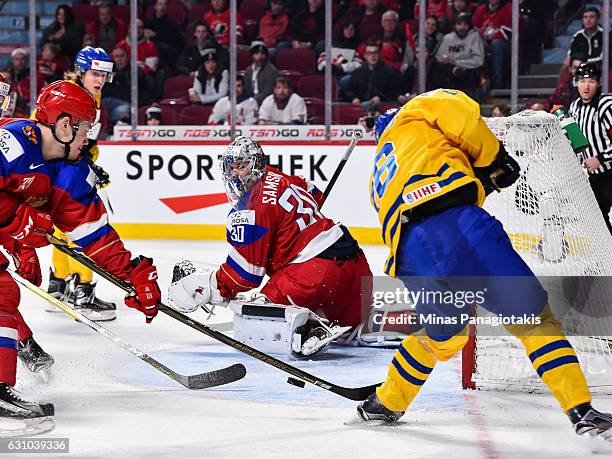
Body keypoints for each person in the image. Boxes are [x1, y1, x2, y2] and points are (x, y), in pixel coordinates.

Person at [355, 89, 612, 441]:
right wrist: (495, 158)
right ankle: (581, 410)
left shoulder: (379, 176)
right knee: (534, 321)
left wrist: (484, 178)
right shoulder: (415, 111)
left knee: (442, 337)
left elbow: (435, 190)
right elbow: (458, 111)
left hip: (412, 257)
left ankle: (386, 401)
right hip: (460, 227)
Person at [0, 80, 161, 435]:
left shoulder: (67, 172)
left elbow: (93, 234)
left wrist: (132, 274)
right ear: (63, 124)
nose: (88, 137)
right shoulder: (14, 139)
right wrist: (17, 229)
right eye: (85, 128)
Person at [168, 136, 373, 357]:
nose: (234, 173)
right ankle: (360, 322)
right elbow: (313, 191)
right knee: (352, 323)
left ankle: (310, 330)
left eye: (241, 166)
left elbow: (246, 275)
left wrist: (207, 287)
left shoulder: (250, 209)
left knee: (256, 314)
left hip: (314, 275)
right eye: (231, 167)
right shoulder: (281, 176)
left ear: (256, 164)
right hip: (355, 266)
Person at [43, 46, 117, 322]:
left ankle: (59, 284)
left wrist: (90, 161)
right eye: (95, 73)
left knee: (64, 228)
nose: (99, 80)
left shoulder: (84, 94)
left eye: (103, 75)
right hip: (64, 168)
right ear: (81, 71)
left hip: (63, 167)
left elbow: (84, 142)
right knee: (86, 226)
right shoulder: (74, 97)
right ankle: (83, 292)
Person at [568, 62, 612, 235]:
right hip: (595, 178)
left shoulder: (606, 105)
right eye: (582, 81)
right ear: (576, 83)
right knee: (598, 221)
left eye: (591, 81)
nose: (586, 86)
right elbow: (575, 142)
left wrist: (600, 158)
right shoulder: (574, 108)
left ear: (598, 83)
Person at [428, 13, 484, 97]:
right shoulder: (447, 38)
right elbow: (438, 57)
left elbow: (479, 61)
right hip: (449, 71)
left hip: (469, 71)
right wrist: (444, 60)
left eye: (465, 24)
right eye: (459, 24)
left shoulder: (474, 37)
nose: (462, 27)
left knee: (464, 74)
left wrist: (457, 62)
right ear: (454, 26)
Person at [345, 40, 400, 106]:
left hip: (382, 107)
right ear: (365, 55)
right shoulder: (358, 72)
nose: (372, 56)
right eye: (369, 53)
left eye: (375, 53)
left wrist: (380, 98)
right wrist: (354, 98)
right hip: (360, 107)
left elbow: (394, 94)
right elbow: (348, 91)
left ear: (379, 54)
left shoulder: (389, 72)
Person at [472, 0, 512, 89]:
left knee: (496, 45)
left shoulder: (509, 7)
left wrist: (489, 39)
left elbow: (509, 32)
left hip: (503, 44)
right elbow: (475, 29)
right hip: (482, 42)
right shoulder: (481, 9)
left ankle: (497, 82)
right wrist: (480, 40)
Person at [144, 0, 184, 70]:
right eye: (160, 4)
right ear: (155, 7)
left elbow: (173, 40)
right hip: (151, 51)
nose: (162, 7)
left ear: (167, 7)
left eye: (164, 5)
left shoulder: (172, 24)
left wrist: (156, 34)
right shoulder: (148, 23)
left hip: (167, 53)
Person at [243, 40, 278, 106]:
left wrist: (250, 102)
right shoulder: (248, 71)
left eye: (262, 54)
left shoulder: (272, 71)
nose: (260, 57)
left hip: (267, 104)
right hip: (250, 103)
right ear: (252, 55)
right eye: (256, 54)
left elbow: (267, 93)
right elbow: (247, 90)